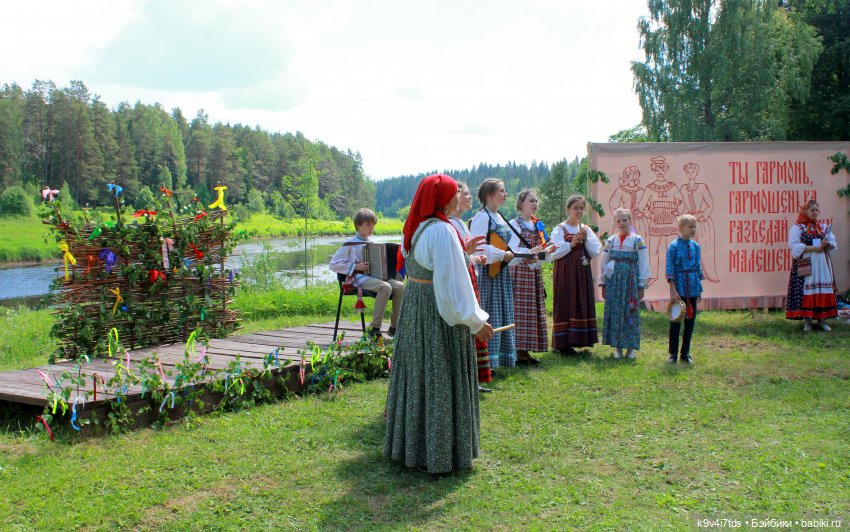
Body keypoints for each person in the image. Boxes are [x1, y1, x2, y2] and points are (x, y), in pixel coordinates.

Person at [384, 173, 494, 474]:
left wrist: (464, 254)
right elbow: (451, 287)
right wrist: (475, 322)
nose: (459, 196)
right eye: (455, 192)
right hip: (437, 315)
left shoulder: (418, 227)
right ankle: (441, 453)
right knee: (439, 375)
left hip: (416, 310)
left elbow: (433, 269)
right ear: (443, 199)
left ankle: (415, 448)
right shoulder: (443, 231)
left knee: (419, 375)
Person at [329, 208, 404, 339]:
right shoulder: (349, 244)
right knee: (385, 287)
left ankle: (394, 327)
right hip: (357, 279)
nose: (372, 228)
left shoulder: (373, 244)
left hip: (375, 277)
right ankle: (374, 328)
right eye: (368, 224)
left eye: (373, 225)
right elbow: (333, 264)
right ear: (358, 225)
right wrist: (355, 266)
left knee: (400, 287)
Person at [449, 182, 493, 391]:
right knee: (467, 325)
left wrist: (475, 258)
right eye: (465, 194)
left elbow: (464, 253)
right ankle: (467, 378)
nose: (469, 198)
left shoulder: (459, 222)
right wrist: (471, 256)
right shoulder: (450, 223)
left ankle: (473, 377)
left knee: (471, 323)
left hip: (469, 274)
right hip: (462, 278)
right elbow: (454, 256)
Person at [469, 178, 517, 369]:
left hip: (501, 273)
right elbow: (478, 248)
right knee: (489, 313)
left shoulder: (499, 216)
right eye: (502, 191)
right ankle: (485, 362)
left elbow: (508, 245)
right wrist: (501, 254)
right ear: (490, 195)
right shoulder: (482, 217)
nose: (505, 195)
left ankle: (499, 359)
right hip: (488, 273)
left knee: (502, 312)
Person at [549, 195, 602, 354]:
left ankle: (581, 338)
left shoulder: (586, 229)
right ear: (568, 210)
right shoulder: (560, 229)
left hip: (582, 270)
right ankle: (562, 343)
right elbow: (553, 252)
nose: (578, 211)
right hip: (565, 271)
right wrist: (571, 244)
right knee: (566, 300)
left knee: (581, 300)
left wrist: (585, 240)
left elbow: (596, 250)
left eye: (581, 208)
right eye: (575, 208)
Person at [600, 208, 650, 359]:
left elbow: (643, 263)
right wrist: (604, 283)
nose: (622, 223)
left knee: (630, 311)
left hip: (630, 281)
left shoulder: (637, 240)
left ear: (630, 221)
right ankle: (617, 347)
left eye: (625, 220)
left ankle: (631, 348)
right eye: (618, 221)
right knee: (615, 311)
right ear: (615, 223)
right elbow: (604, 263)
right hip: (614, 281)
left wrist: (641, 285)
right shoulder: (610, 240)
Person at [508, 190, 550, 364]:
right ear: (521, 203)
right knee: (519, 311)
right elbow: (510, 250)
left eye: (536, 201)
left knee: (531, 311)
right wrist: (528, 253)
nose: (535, 203)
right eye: (531, 200)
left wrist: (546, 252)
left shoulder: (538, 225)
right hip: (519, 272)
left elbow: (544, 245)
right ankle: (517, 351)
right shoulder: (514, 224)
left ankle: (525, 350)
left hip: (533, 272)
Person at [786, 199, 838, 331]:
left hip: (821, 264)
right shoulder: (798, 227)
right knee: (806, 290)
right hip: (805, 261)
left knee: (821, 289)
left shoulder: (823, 227)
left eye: (816, 210)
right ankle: (808, 321)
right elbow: (795, 247)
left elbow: (833, 244)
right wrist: (815, 249)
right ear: (805, 211)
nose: (815, 212)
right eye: (812, 210)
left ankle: (821, 320)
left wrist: (827, 244)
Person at [638, 155, 685, 286]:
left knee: (672, 250)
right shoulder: (649, 188)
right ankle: (652, 276)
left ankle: (672, 275)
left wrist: (677, 212)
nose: (660, 172)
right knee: (653, 250)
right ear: (654, 170)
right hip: (655, 224)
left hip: (671, 224)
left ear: (665, 170)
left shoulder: (673, 186)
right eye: (657, 170)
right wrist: (650, 214)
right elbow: (640, 207)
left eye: (662, 169)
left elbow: (682, 204)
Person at [666, 214, 704, 364]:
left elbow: (697, 267)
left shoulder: (696, 247)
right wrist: (672, 289)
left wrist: (699, 289)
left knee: (690, 321)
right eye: (690, 227)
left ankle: (685, 353)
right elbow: (670, 268)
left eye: (695, 226)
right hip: (679, 287)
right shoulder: (673, 246)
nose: (693, 229)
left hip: (692, 285)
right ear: (681, 228)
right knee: (676, 321)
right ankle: (673, 354)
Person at [679, 162, 719, 283]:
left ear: (696, 173)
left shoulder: (702, 187)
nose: (690, 174)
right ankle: (690, 274)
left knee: (704, 248)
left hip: (702, 222)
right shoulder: (682, 188)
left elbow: (710, 204)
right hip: (688, 222)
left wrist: (703, 215)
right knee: (688, 249)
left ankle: (708, 273)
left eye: (692, 172)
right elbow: (681, 206)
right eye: (688, 172)